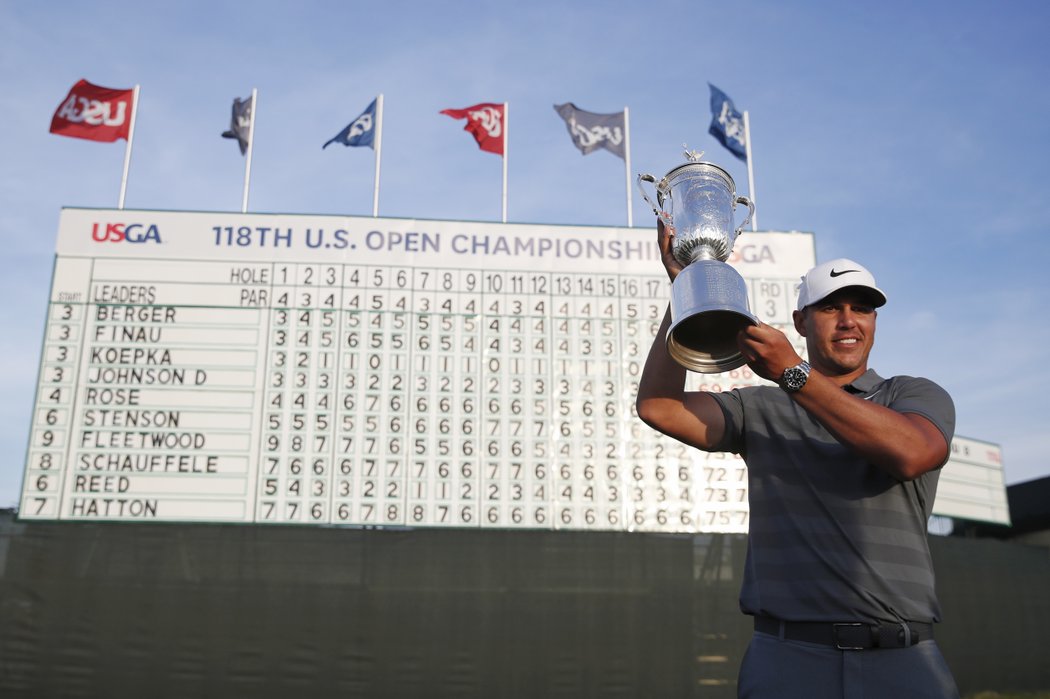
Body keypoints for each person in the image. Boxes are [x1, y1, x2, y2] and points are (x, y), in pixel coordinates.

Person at [637, 221, 959, 698]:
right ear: (801, 322)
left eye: (862, 308)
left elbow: (912, 453)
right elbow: (659, 406)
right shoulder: (762, 407)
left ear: (874, 322)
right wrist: (689, 288)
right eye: (830, 307)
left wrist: (793, 373)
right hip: (788, 660)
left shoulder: (910, 394)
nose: (849, 320)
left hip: (903, 659)